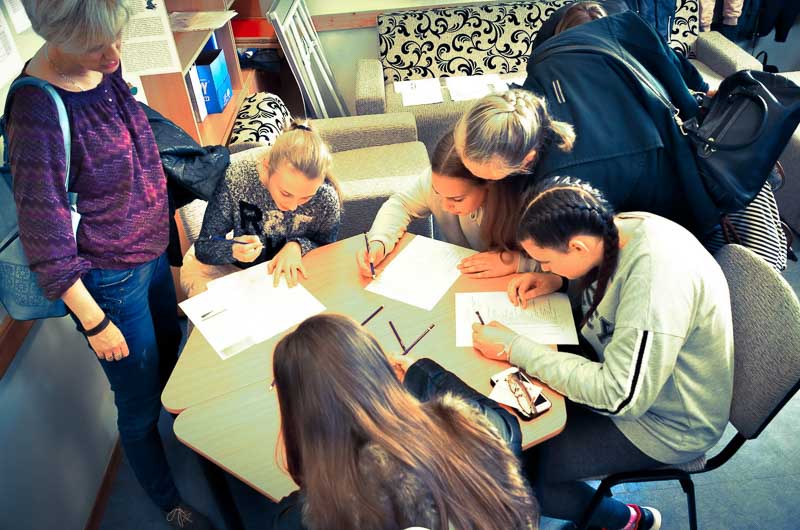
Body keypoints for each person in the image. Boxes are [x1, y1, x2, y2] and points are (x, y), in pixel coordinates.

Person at [8, 1, 212, 528]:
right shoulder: (35, 112)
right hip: (110, 282)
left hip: (150, 253)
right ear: (57, 37)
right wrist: (96, 322)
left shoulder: (103, 68)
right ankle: (169, 502)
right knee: (138, 404)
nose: (115, 56)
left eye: (117, 39)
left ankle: (187, 444)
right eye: (98, 47)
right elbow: (45, 239)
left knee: (168, 361)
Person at [472, 177, 734, 530]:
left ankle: (630, 520)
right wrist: (561, 281)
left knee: (520, 476)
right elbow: (607, 283)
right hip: (624, 374)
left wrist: (514, 347)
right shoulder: (616, 228)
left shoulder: (656, 281)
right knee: (512, 423)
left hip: (665, 423)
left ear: (577, 247)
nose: (542, 267)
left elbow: (619, 397)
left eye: (545, 261)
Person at [455, 10, 721, 237]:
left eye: (488, 177)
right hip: (657, 144)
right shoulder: (543, 66)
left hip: (674, 215)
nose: (480, 181)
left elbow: (590, 252)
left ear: (528, 161)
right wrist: (697, 88)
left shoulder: (565, 186)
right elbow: (643, 36)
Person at [270, 314, 539, 530]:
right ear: (377, 372)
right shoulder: (463, 428)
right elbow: (506, 427)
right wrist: (423, 374)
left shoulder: (315, 512)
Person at [181, 121, 341, 297]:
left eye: (306, 197)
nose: (292, 206)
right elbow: (204, 246)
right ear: (266, 166)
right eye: (285, 193)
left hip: (292, 274)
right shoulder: (236, 180)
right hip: (240, 274)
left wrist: (298, 246)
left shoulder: (326, 197)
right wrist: (232, 249)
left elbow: (328, 249)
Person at [357, 130, 534, 279]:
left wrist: (517, 262)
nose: (444, 206)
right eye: (437, 192)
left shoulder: (524, 200)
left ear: (488, 183)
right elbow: (400, 204)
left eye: (457, 199)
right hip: (460, 281)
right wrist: (379, 241)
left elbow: (550, 264)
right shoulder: (438, 180)